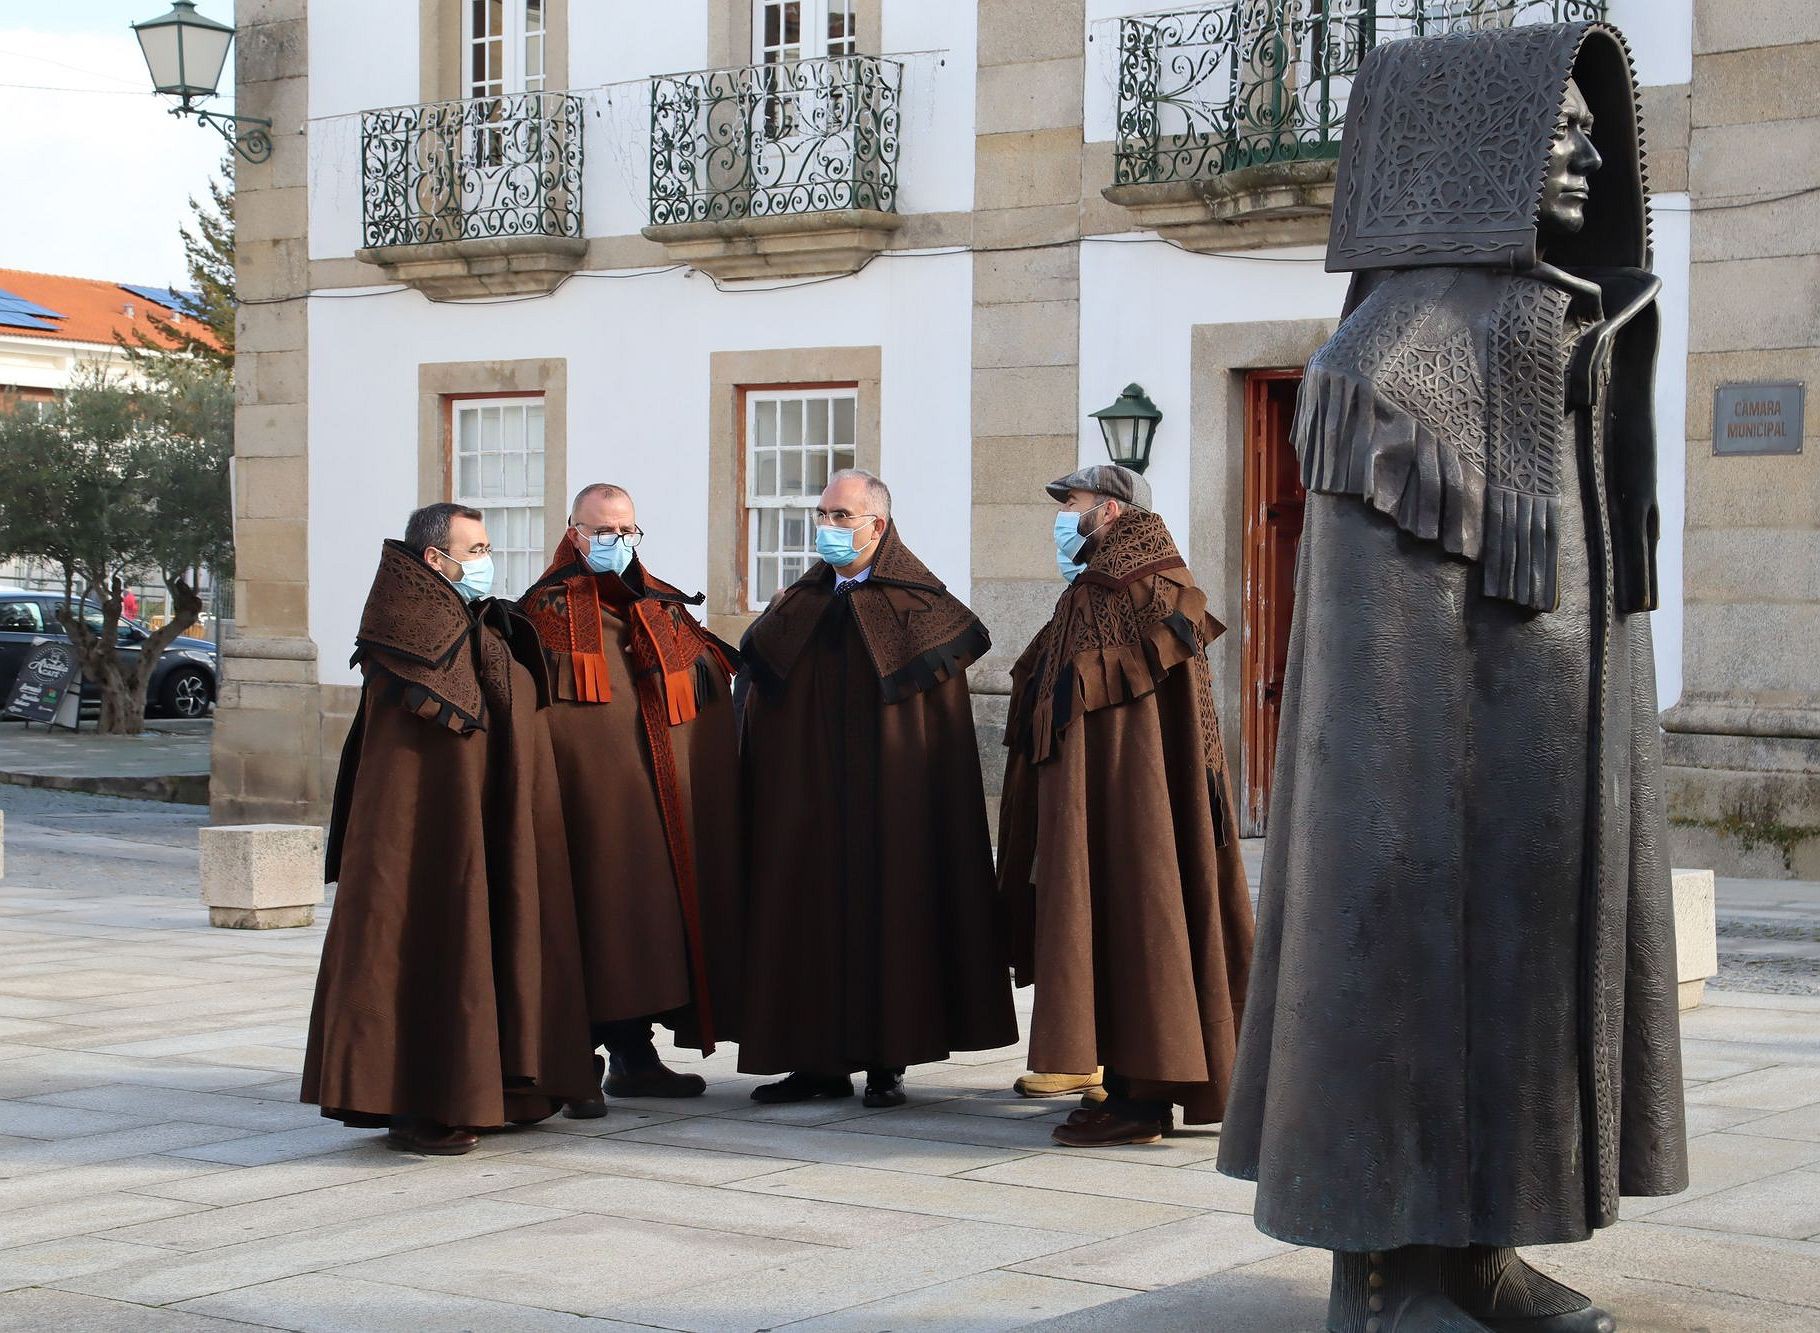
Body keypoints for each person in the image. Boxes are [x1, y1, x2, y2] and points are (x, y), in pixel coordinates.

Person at [1215, 23, 1687, 1333]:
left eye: (1594, 129)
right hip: (1422, 776)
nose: (1586, 148)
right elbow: (1378, 660)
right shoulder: (1389, 358)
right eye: (1558, 126)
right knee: (1409, 970)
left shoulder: (1551, 320)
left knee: (1523, 987)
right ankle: (1381, 1269)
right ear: (1473, 155)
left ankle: (1480, 1246)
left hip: (1538, 739)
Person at [302, 503, 595, 1155]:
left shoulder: (477, 623)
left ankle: (498, 1086)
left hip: (486, 830)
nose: (487, 559)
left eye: (488, 545)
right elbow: (405, 774)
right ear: (436, 559)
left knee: (485, 940)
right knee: (428, 944)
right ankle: (422, 1100)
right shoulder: (407, 636)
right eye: (477, 546)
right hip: (422, 845)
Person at [737, 469, 1017, 1107]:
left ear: (878, 525)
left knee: (890, 913)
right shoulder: (799, 602)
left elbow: (934, 730)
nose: (828, 527)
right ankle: (815, 1063)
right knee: (807, 917)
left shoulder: (923, 609)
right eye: (824, 514)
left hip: (893, 804)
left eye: (843, 516)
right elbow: (762, 690)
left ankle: (887, 1059)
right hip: (808, 805)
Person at [997, 464, 1254, 1147]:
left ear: (1109, 511)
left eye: (1072, 502)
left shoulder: (1124, 585)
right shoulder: (1143, 580)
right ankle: (1136, 1089)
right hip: (1126, 800)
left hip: (1130, 804)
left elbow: (1111, 710)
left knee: (1141, 916)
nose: (1062, 515)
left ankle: (1142, 1101)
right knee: (1132, 918)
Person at [519, 484, 743, 1114]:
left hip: (656, 813)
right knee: (584, 924)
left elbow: (706, 687)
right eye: (600, 532)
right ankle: (573, 1063)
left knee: (645, 930)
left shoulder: (663, 608)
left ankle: (635, 1058)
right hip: (578, 812)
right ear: (572, 530)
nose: (614, 543)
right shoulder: (539, 617)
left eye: (626, 532)